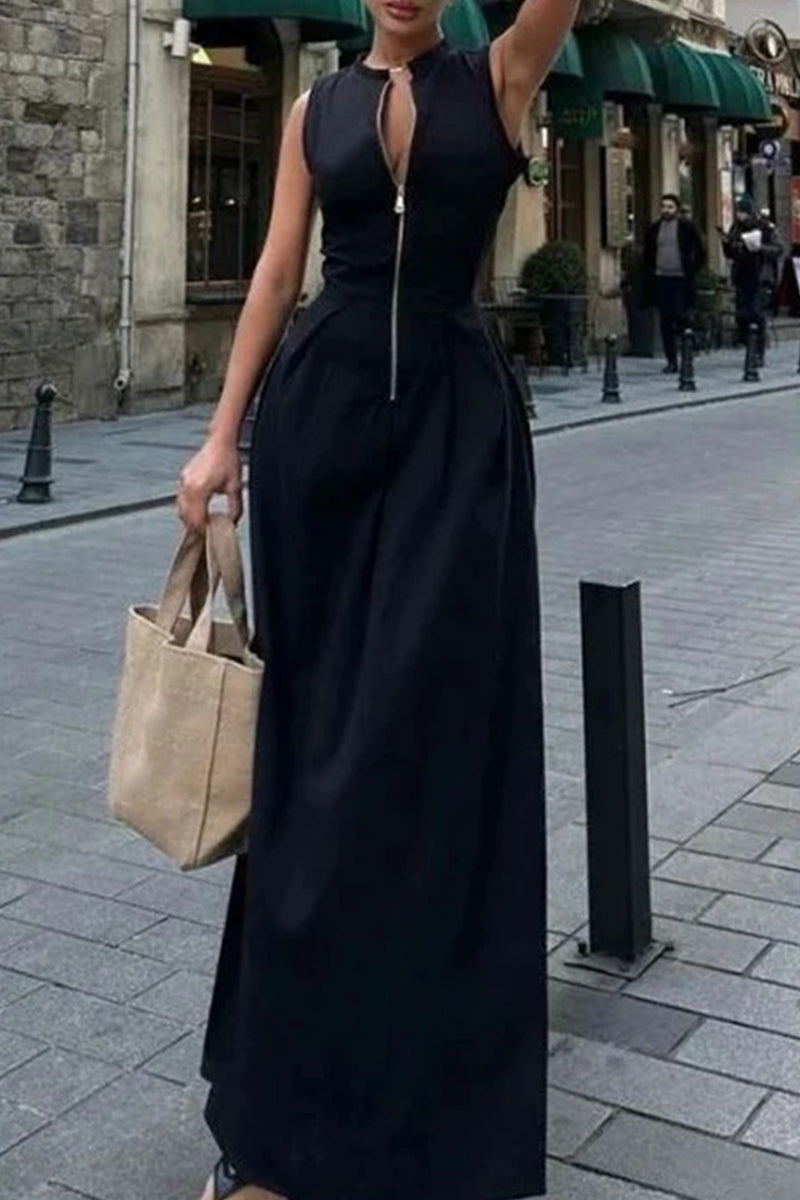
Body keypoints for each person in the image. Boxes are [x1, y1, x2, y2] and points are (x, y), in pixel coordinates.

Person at [176, 0, 579, 1196]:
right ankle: (278, 1129)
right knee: (310, 760)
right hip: (322, 430)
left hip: (457, 440)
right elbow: (274, 273)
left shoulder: (499, 79)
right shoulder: (315, 109)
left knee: (431, 745)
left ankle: (436, 1118)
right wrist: (220, 440)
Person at [644, 193, 706, 373]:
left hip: (681, 279)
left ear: (677, 210)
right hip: (662, 279)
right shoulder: (655, 229)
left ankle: (688, 350)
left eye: (670, 207)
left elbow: (701, 251)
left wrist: (692, 268)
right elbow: (648, 254)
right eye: (663, 206)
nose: (666, 210)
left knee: (680, 317)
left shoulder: (686, 227)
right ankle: (671, 361)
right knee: (665, 321)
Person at [722, 195, 783, 365]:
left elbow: (778, 248)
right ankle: (749, 347)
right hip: (742, 277)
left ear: (750, 212)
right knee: (742, 315)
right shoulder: (736, 228)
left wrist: (760, 248)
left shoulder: (765, 228)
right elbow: (730, 253)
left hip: (760, 277)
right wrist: (726, 244)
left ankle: (758, 353)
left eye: (743, 212)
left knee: (756, 314)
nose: (740, 215)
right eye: (738, 212)